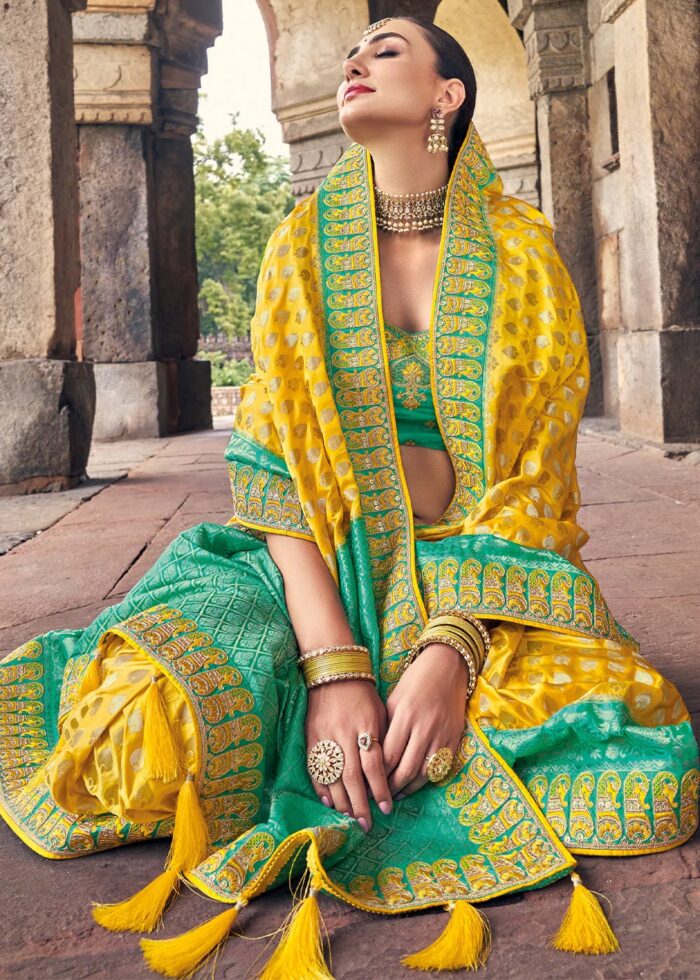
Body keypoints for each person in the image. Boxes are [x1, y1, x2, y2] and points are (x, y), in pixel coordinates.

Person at [0, 15, 697, 979]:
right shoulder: (299, 251)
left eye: (388, 49)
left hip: (478, 576)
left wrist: (450, 651)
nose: (355, 62)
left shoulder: (523, 255)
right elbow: (275, 468)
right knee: (132, 738)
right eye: (353, 50)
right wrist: (335, 668)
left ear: (446, 98)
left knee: (640, 765)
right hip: (307, 562)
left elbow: (532, 486)